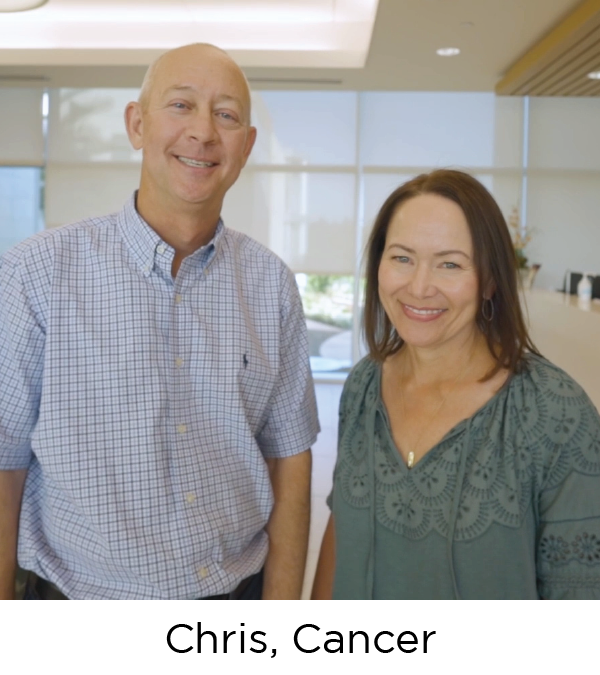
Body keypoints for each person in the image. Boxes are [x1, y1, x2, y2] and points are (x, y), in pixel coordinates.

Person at [0, 43, 319, 600]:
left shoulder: (271, 286)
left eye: (226, 115)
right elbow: (4, 463)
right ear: (137, 124)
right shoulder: (37, 273)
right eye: (181, 105)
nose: (202, 132)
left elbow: (289, 459)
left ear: (245, 148)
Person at [312, 169, 600, 600]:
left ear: (489, 280)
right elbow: (343, 530)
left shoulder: (557, 414)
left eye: (450, 263)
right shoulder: (364, 385)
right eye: (402, 257)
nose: (419, 286)